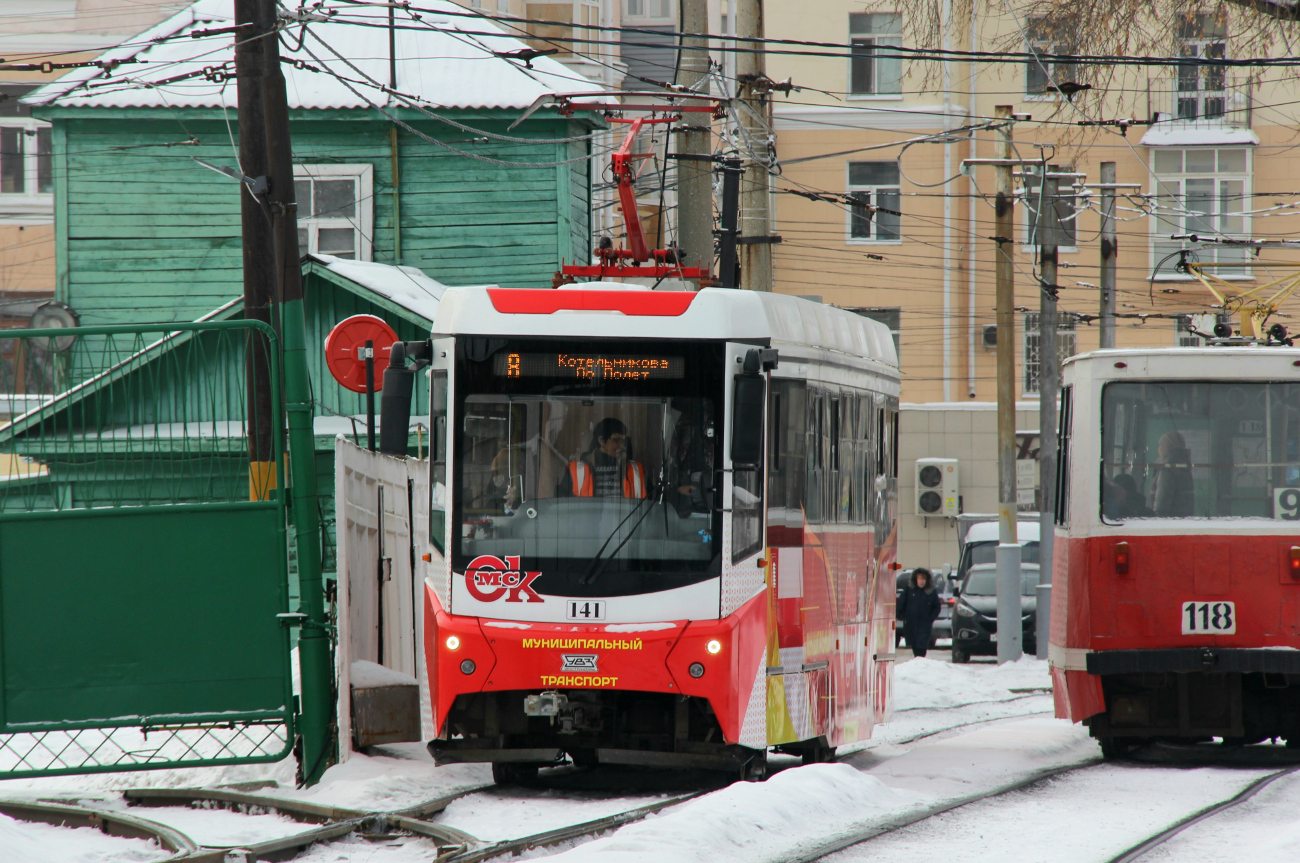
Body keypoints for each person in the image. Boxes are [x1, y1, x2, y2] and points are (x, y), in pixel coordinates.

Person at [558, 418, 648, 499]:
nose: (621, 445)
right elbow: (562, 505)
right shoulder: (576, 471)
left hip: (629, 517)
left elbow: (651, 504)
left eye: (623, 441)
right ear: (601, 441)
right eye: (616, 440)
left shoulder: (636, 470)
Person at [896, 568, 942, 658]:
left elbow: (937, 607)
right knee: (913, 646)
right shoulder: (909, 590)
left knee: (921, 647)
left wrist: (930, 618)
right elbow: (901, 603)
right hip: (910, 624)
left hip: (924, 624)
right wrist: (899, 615)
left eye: (923, 579)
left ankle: (920, 662)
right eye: (920, 579)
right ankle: (915, 664)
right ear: (916, 579)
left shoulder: (931, 592)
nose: (922, 581)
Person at [1148, 430, 1194, 517]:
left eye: (1161, 446)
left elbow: (1161, 504)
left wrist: (1155, 521)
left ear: (1164, 448)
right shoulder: (1184, 466)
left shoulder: (1167, 469)